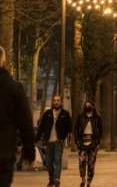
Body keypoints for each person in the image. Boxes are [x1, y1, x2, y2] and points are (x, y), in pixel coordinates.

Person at [0, 46, 36, 187]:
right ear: (4, 62)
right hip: (4, 153)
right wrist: (30, 153)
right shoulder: (14, 88)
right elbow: (25, 123)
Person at [36, 94, 72, 187]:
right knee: (49, 162)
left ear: (61, 102)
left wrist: (62, 138)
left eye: (58, 100)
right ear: (53, 102)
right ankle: (51, 180)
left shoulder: (65, 114)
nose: (56, 102)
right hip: (48, 141)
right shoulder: (47, 113)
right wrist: (36, 139)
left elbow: (69, 128)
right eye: (55, 100)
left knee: (58, 160)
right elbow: (41, 127)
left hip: (58, 142)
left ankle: (56, 178)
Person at [74, 100, 103, 187]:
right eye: (86, 105)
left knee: (91, 162)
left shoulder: (98, 117)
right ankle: (83, 179)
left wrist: (97, 141)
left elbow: (101, 130)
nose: (87, 106)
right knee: (82, 161)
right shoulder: (80, 117)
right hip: (82, 141)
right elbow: (76, 129)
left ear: (93, 106)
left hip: (93, 141)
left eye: (89, 105)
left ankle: (89, 181)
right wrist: (77, 141)